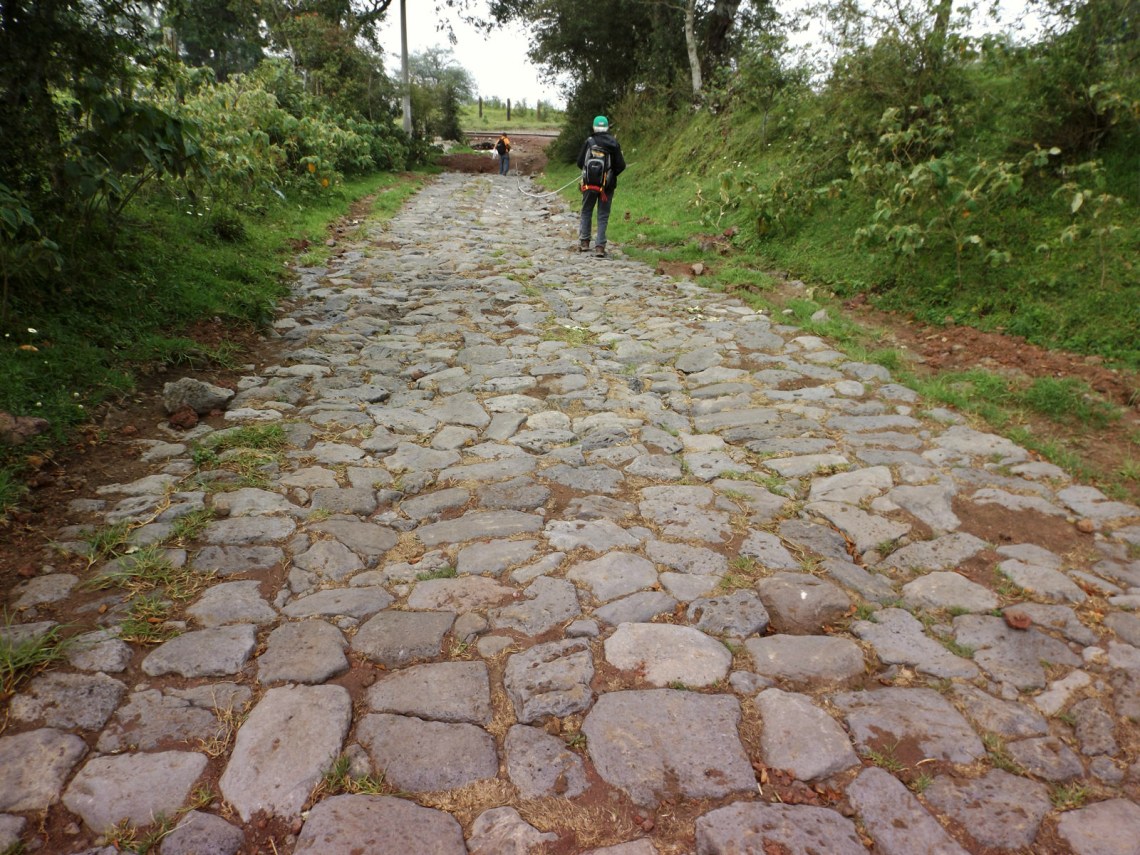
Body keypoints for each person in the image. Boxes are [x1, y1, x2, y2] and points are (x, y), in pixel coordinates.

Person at [577, 115, 626, 258]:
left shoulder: (589, 141)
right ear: (607, 128)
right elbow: (621, 165)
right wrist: (610, 175)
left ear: (594, 127)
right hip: (607, 186)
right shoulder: (613, 143)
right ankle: (600, 247)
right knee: (603, 215)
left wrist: (590, 172)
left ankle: (585, 242)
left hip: (589, 184)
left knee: (586, 210)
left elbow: (580, 162)